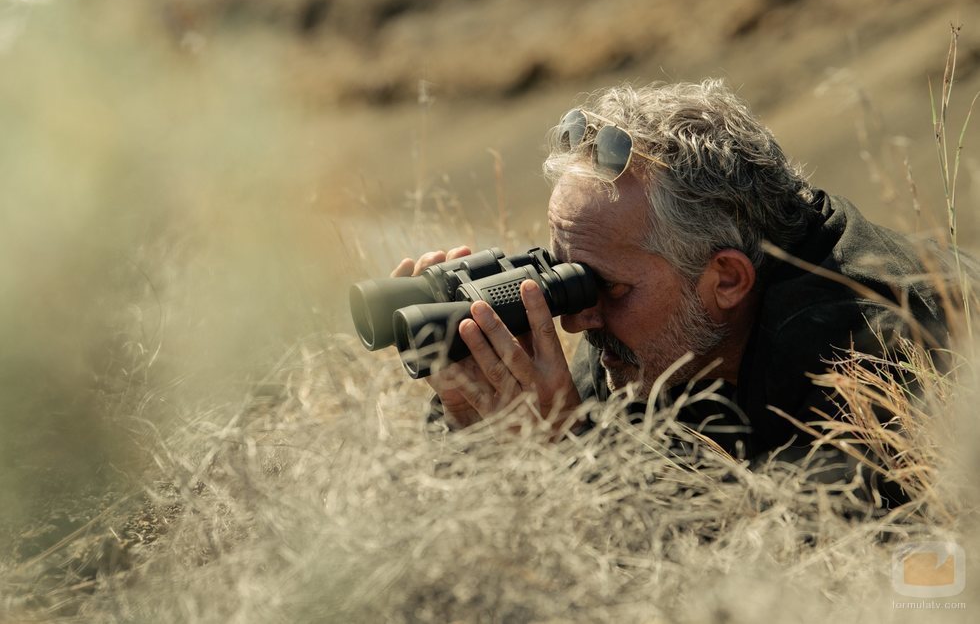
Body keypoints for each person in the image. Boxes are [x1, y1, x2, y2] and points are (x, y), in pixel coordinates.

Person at [391, 79, 951, 499]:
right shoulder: (644, 314)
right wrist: (470, 422)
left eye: (603, 285)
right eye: (565, 273)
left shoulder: (885, 348)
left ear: (727, 279)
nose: (576, 318)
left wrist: (563, 454)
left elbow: (796, 567)